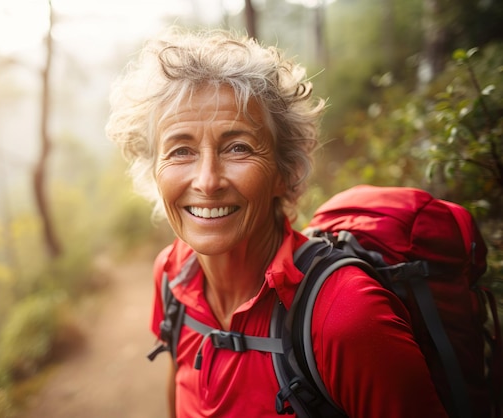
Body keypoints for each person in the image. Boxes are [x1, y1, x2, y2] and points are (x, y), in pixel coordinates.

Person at [105, 27, 448, 418]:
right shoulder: (171, 274)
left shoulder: (346, 318)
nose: (207, 181)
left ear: (284, 172)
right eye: (180, 150)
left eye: (238, 147)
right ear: (154, 173)